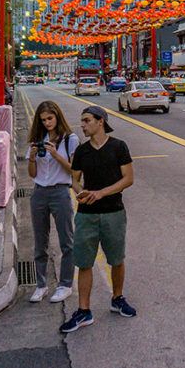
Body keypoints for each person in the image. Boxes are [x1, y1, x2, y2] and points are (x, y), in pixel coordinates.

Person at [60, 106, 136, 333]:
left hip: (113, 212)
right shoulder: (82, 152)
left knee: (116, 259)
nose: (82, 125)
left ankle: (117, 298)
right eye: (81, 121)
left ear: (100, 121)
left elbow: (128, 179)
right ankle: (84, 311)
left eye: (86, 120)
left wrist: (101, 193)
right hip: (86, 215)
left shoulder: (118, 147)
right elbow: (74, 179)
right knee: (84, 262)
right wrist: (80, 192)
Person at [27, 101, 80, 304]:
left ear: (57, 116)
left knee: (67, 241)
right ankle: (41, 285)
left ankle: (65, 284)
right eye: (43, 120)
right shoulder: (36, 139)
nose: (47, 123)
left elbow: (74, 171)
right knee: (40, 242)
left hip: (60, 192)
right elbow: (32, 174)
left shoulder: (70, 139)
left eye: (50, 118)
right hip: (39, 192)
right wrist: (32, 157)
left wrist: (56, 154)